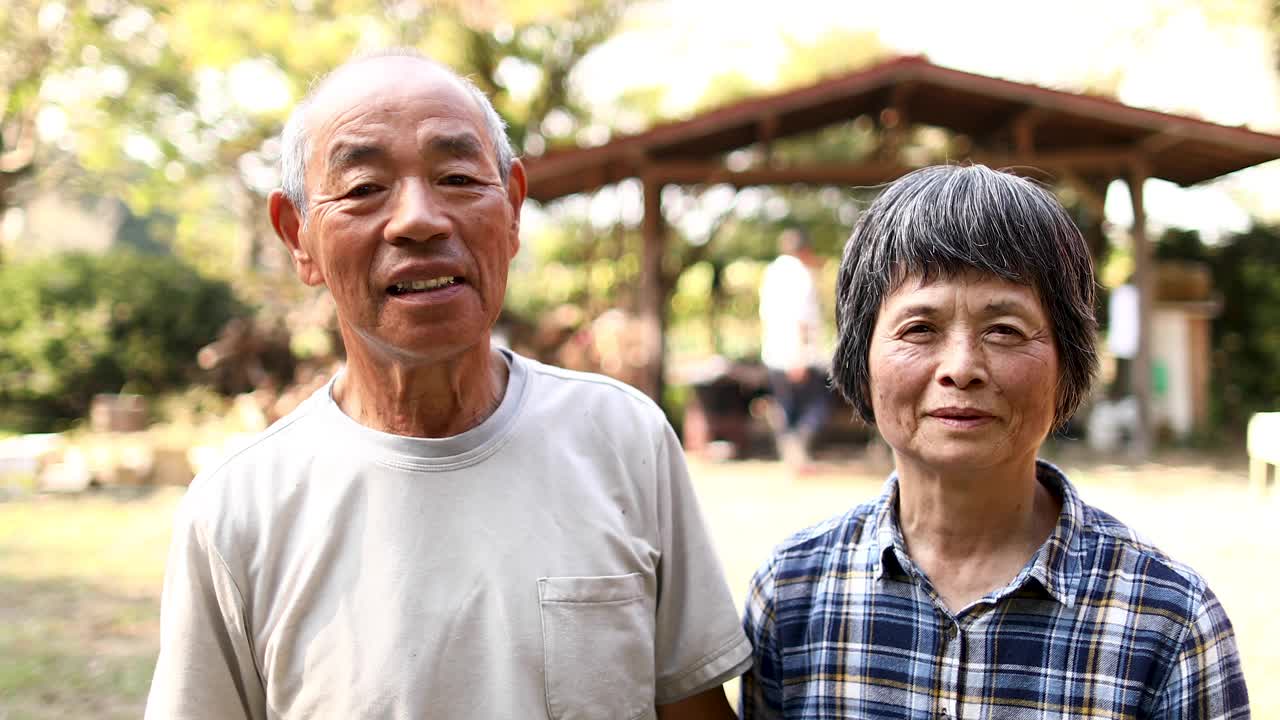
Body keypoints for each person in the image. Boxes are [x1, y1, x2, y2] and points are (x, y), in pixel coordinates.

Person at [145, 49, 750, 719]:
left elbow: (691, 709)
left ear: (513, 209)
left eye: (458, 177)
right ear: (298, 236)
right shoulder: (238, 508)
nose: (418, 220)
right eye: (364, 188)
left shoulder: (621, 439)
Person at [740, 165, 1249, 719]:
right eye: (919, 329)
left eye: (1004, 329)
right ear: (861, 361)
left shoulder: (1167, 622)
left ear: (1068, 364)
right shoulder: (792, 596)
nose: (961, 369)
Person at [758, 227, 832, 468]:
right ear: (805, 250)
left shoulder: (771, 273)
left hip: (774, 353)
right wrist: (798, 356)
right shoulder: (800, 274)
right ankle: (797, 453)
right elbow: (800, 319)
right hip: (797, 355)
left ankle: (793, 456)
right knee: (817, 407)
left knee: (787, 408)